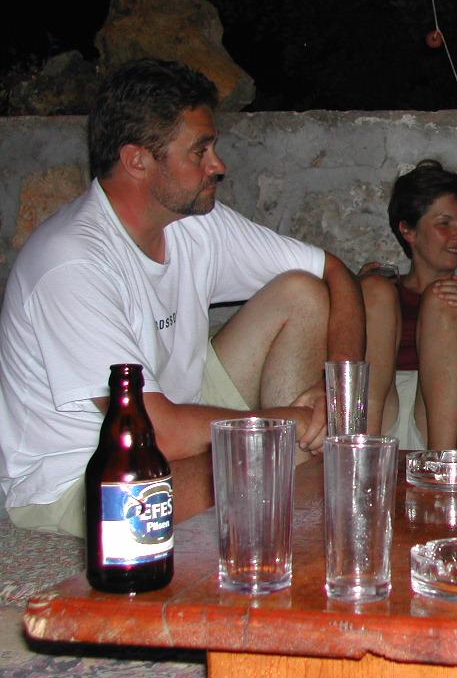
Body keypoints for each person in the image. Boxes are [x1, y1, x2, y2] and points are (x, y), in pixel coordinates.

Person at [0, 59, 365, 536]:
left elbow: (335, 272)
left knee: (302, 291)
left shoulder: (197, 222)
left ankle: (290, 471)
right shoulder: (72, 263)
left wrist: (334, 396)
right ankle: (288, 477)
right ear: (137, 161)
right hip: (83, 477)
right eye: (201, 150)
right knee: (263, 467)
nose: (219, 165)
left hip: (175, 413)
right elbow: (159, 431)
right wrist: (291, 425)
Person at [359, 160, 457, 451]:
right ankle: (362, 457)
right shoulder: (381, 289)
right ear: (408, 230)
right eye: (445, 224)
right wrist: (354, 300)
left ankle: (442, 467)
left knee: (445, 300)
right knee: (373, 291)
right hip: (380, 411)